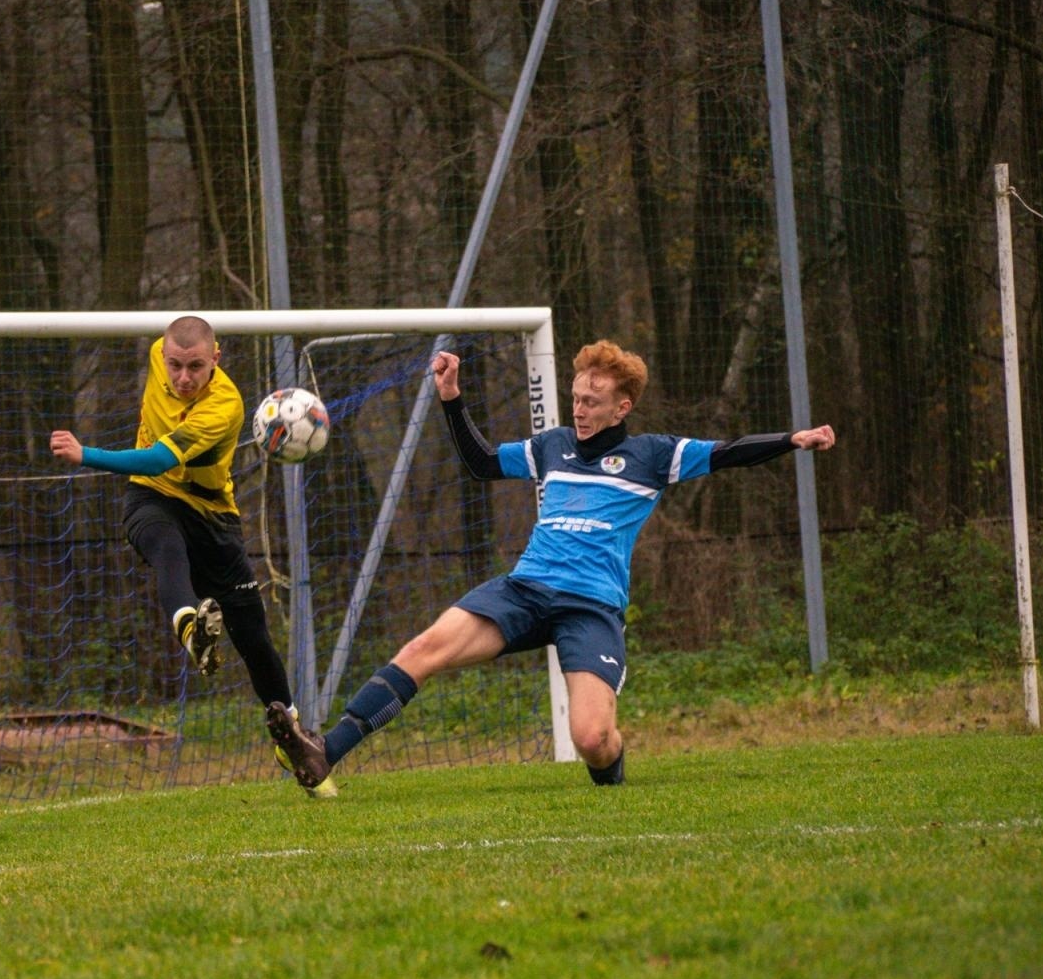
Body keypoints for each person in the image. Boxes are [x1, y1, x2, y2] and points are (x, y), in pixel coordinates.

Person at [265, 339, 836, 792]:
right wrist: (452, 398)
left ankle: (611, 772)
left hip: (591, 608)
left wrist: (793, 439)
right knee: (422, 650)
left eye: (593, 401)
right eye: (577, 397)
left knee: (591, 739)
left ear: (622, 406)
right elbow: (483, 464)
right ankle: (322, 752)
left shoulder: (654, 455)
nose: (580, 409)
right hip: (525, 589)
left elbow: (729, 450)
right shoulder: (553, 445)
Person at [49, 315, 336, 798]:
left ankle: (290, 733)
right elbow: (155, 474)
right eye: (175, 365)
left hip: (213, 518)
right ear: (162, 355)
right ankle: (189, 626)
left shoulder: (224, 405)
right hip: (150, 499)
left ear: (216, 360)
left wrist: (87, 455)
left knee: (254, 637)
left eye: (195, 368)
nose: (182, 378)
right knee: (165, 547)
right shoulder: (158, 357)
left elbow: (160, 457)